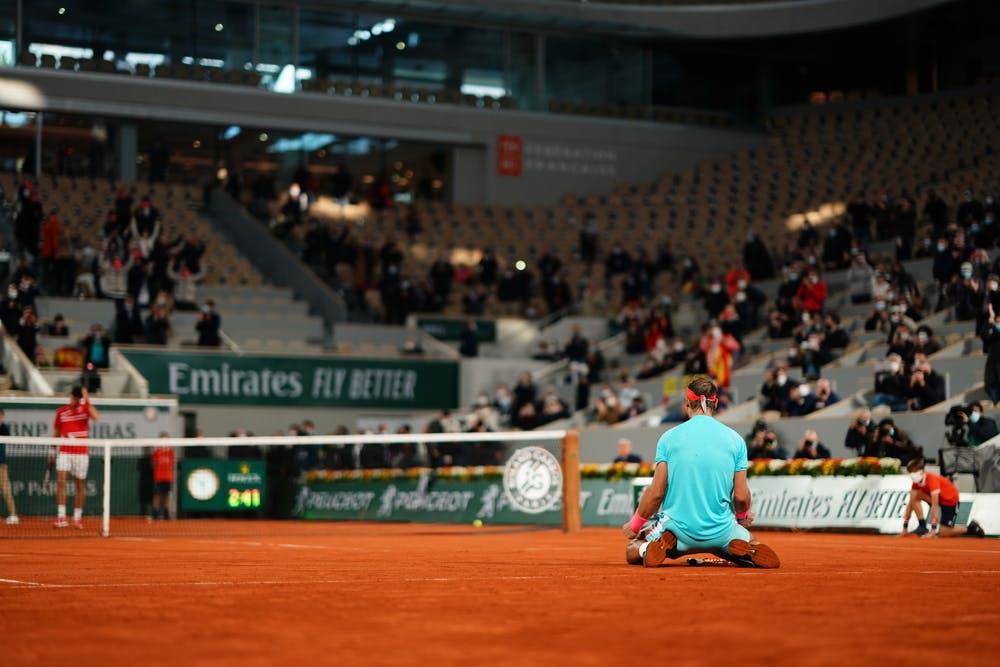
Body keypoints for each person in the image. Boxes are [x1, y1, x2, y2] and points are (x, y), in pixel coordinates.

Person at [623, 376, 780, 569]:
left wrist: (635, 525)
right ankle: (746, 549)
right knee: (753, 542)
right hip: (722, 530)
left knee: (633, 547)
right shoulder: (736, 440)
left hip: (677, 530)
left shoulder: (668, 438)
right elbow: (741, 496)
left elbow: (655, 493)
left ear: (687, 403)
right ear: (715, 402)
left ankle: (650, 548)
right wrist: (742, 518)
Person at [50, 386, 99, 529]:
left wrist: (87, 399)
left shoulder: (85, 408)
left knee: (79, 485)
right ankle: (61, 517)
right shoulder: (61, 412)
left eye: (78, 397)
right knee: (61, 482)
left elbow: (96, 417)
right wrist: (52, 452)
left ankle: (77, 518)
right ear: (70, 396)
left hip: (81, 453)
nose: (75, 399)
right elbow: (57, 432)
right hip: (64, 451)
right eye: (74, 397)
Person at [902, 458, 985, 538]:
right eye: (910, 472)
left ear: (921, 471)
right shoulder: (916, 483)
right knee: (915, 495)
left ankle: (971, 528)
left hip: (950, 501)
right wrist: (905, 527)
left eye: (914, 471)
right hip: (940, 500)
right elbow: (911, 502)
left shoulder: (931, 479)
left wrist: (933, 529)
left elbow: (935, 505)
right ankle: (922, 527)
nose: (912, 474)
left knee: (943, 532)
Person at [150, 433, 175, 520]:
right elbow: (153, 463)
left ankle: (166, 514)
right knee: (157, 495)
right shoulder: (156, 451)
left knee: (167, 495)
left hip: (168, 477)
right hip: (158, 477)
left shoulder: (170, 451)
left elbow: (172, 463)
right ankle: (155, 513)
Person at [0, 409, 19, 524]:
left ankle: (13, 515)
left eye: (0, 416)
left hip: (1, 465)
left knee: (6, 490)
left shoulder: (4, 429)